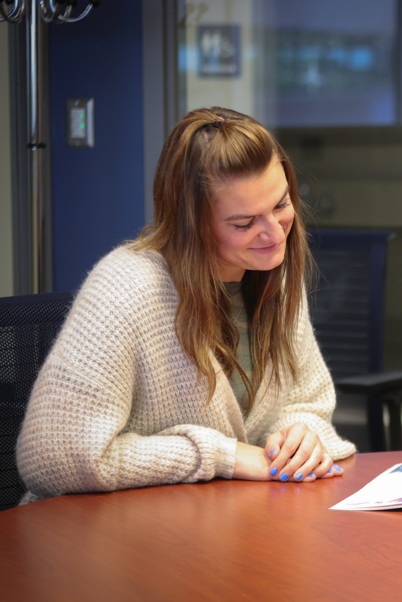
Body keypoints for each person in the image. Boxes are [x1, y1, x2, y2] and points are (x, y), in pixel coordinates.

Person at [16, 107, 355, 504]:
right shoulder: (125, 289)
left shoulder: (272, 272)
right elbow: (51, 458)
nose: (274, 233)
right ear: (190, 224)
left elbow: (308, 399)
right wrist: (222, 456)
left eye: (280, 205)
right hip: (104, 539)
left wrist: (298, 435)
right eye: (244, 223)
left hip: (226, 527)